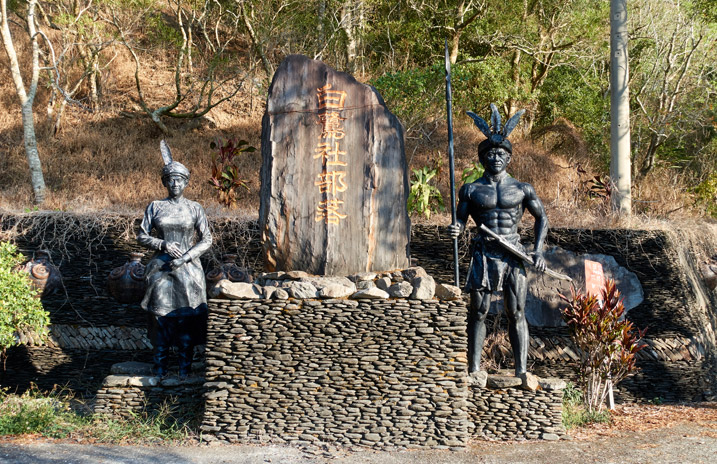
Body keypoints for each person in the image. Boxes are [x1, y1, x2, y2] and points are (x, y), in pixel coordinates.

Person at [449, 105, 547, 380]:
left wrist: (537, 250)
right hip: (484, 253)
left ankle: (521, 370)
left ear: (509, 158)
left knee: (516, 311)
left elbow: (542, 219)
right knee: (478, 310)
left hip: (513, 253)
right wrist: (456, 228)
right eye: (490, 153)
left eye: (501, 154)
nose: (496, 158)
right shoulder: (471, 189)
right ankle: (474, 368)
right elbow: (461, 219)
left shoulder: (522, 188)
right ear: (482, 158)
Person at [138, 149, 212, 378]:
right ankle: (159, 368)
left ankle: (184, 368)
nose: (175, 184)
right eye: (170, 180)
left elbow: (207, 239)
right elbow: (141, 235)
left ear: (186, 183)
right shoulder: (155, 206)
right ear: (165, 183)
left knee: (186, 317)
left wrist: (186, 257)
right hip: (162, 268)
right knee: (160, 317)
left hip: (188, 268)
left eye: (179, 180)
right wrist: (162, 244)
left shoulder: (194, 208)